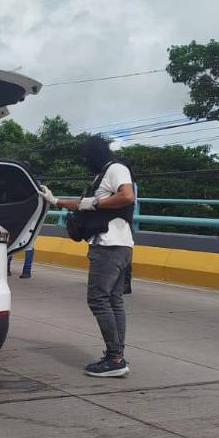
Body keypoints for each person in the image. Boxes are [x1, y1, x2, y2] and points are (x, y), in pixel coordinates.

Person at [39, 134, 136, 378]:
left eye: (85, 157)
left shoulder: (116, 168)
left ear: (93, 155)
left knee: (98, 299)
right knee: (113, 301)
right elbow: (86, 203)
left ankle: (115, 358)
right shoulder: (102, 175)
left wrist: (95, 204)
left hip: (109, 246)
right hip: (118, 246)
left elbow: (126, 196)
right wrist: (55, 200)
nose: (84, 162)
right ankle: (116, 356)